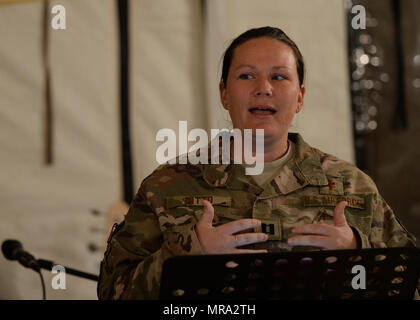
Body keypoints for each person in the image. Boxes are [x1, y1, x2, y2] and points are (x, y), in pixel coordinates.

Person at [97, 26, 417, 299]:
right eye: (246, 75)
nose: (263, 89)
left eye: (279, 77)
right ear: (224, 93)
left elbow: (412, 284)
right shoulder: (165, 186)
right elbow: (113, 292)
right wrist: (188, 252)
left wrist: (357, 254)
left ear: (300, 97)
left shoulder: (352, 186)